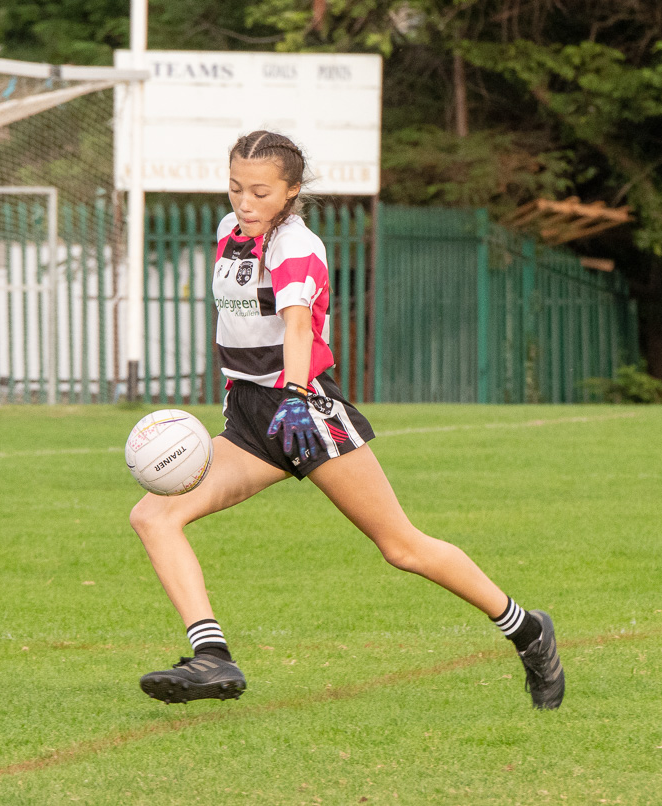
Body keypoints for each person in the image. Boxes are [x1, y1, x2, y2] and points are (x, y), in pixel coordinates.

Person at [129, 131, 564, 709]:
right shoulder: (226, 235)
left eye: (261, 192)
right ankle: (213, 658)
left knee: (401, 547)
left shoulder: (296, 246)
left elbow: (299, 328)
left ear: (291, 191)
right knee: (154, 515)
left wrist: (292, 392)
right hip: (253, 418)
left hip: (303, 410)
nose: (245, 202)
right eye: (235, 188)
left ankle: (527, 631)